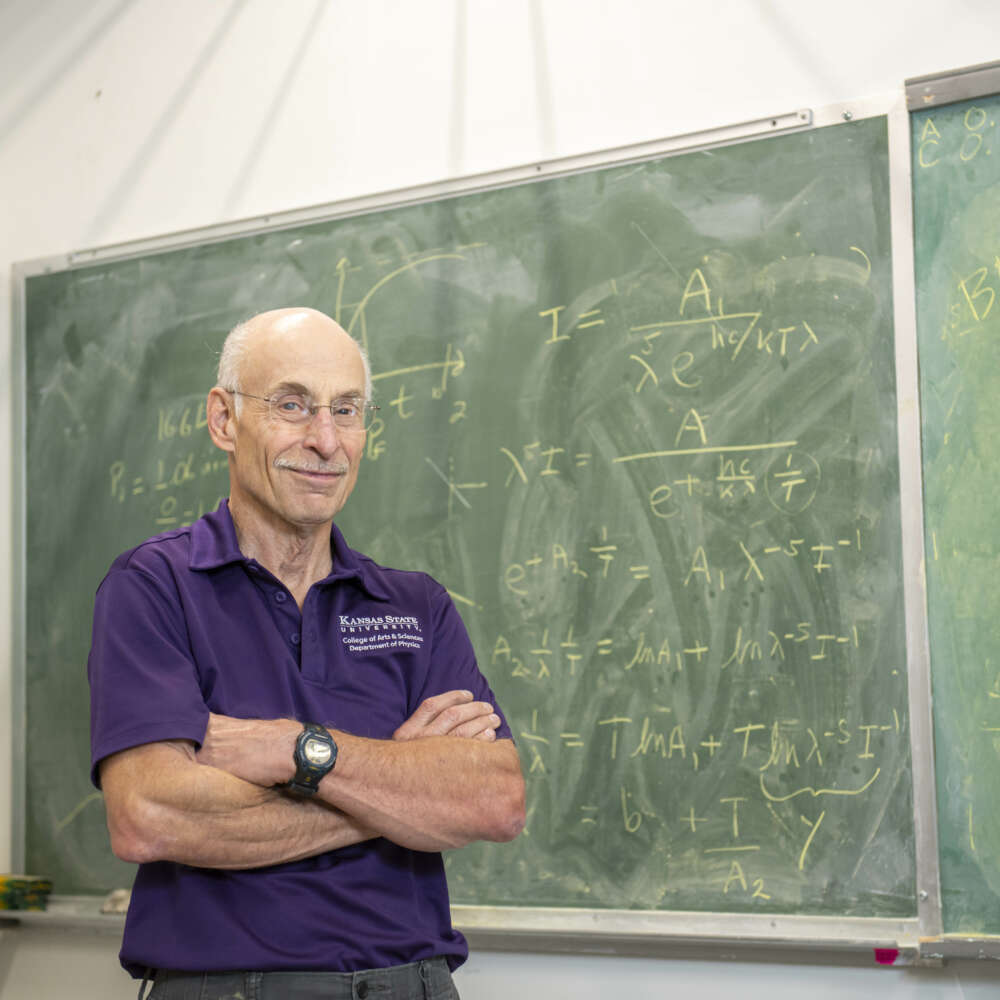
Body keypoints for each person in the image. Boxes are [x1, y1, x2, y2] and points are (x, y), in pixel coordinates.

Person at [88, 307, 526, 1000]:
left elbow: (495, 800)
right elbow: (150, 816)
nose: (325, 441)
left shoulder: (417, 605)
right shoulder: (153, 586)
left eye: (346, 410)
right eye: (292, 405)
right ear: (224, 419)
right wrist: (399, 789)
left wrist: (294, 749)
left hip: (411, 986)